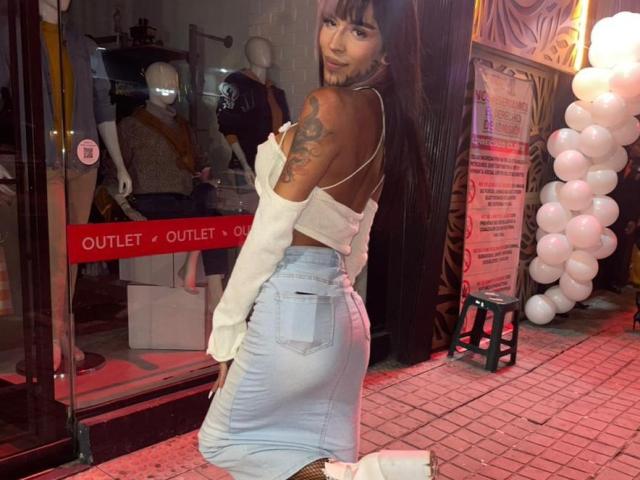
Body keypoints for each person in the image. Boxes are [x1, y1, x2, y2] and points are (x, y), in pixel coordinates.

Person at [199, 1, 434, 479]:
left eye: (359, 31)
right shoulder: (385, 117)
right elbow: (359, 235)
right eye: (330, 22)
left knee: (221, 442)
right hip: (341, 313)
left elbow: (271, 227)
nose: (335, 42)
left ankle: (369, 477)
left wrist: (227, 328)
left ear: (389, 46)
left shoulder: (329, 106)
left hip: (293, 305)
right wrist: (330, 297)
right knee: (309, 453)